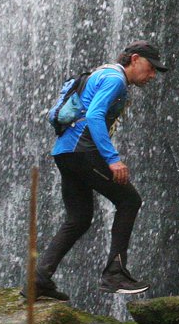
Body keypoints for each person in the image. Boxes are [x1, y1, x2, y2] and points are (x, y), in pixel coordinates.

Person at [31, 40, 168, 300]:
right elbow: (94, 116)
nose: (152, 75)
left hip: (65, 152)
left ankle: (38, 280)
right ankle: (114, 274)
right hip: (84, 152)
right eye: (151, 68)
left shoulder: (103, 72)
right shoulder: (116, 79)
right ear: (135, 59)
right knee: (129, 200)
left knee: (79, 218)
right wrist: (112, 159)